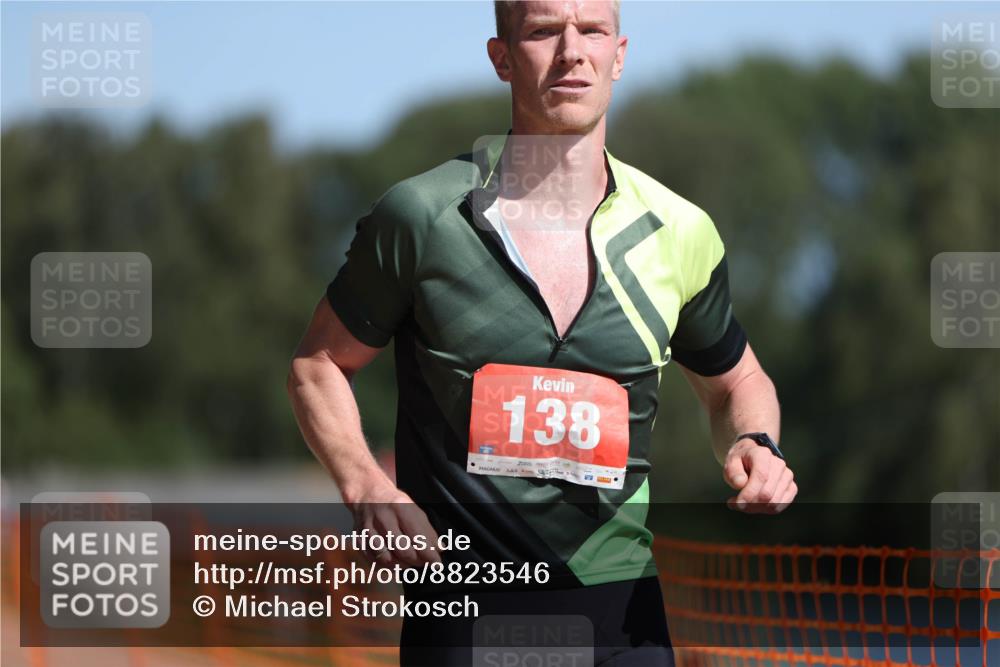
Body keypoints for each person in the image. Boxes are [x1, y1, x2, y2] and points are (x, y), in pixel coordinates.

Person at [287, 1, 797, 664]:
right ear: (501, 57)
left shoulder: (679, 232)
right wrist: (365, 484)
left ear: (619, 54)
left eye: (592, 30)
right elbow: (317, 364)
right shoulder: (422, 218)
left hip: (624, 628)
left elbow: (737, 380)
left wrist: (756, 441)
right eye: (542, 31)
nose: (571, 52)